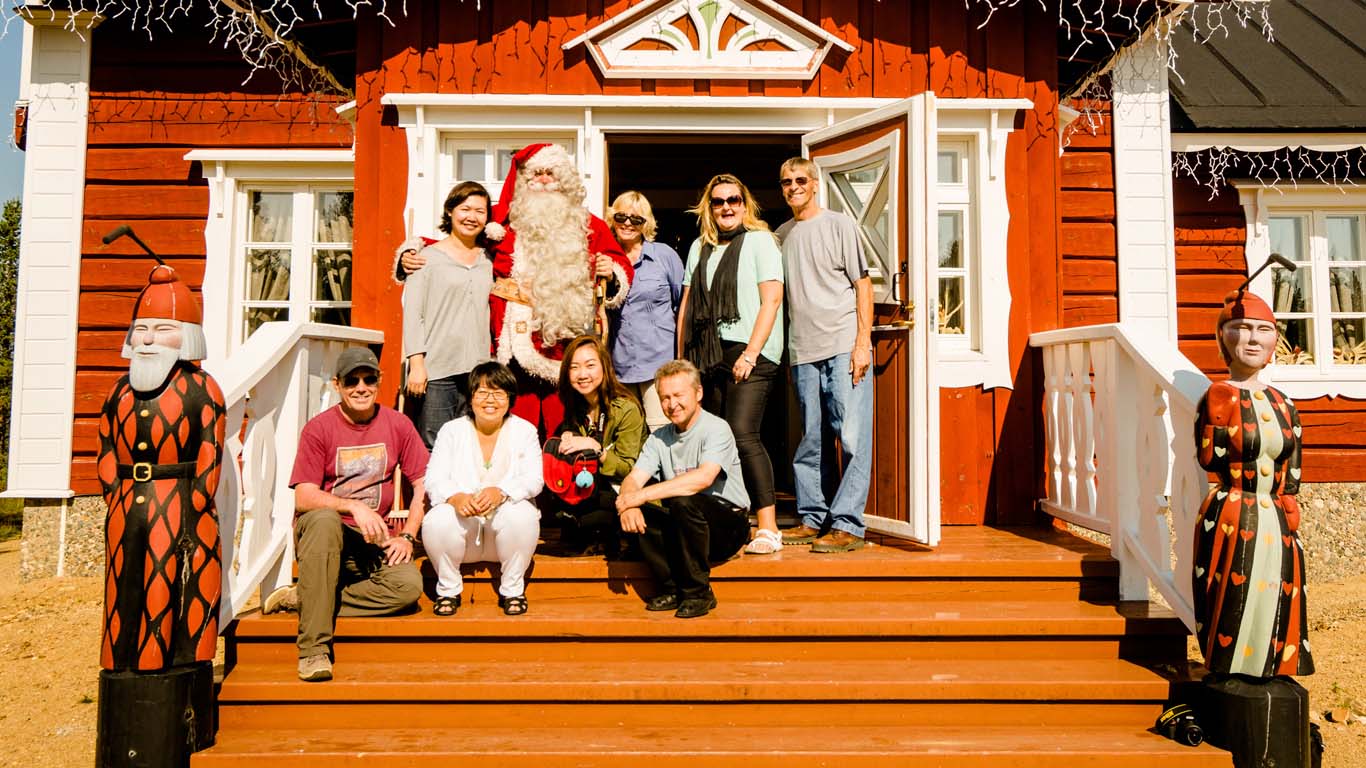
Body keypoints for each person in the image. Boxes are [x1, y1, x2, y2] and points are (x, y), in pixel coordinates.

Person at [95, 265, 226, 756]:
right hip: (128, 499)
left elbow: (211, 443)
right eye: (142, 330)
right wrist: (111, 482)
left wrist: (199, 493)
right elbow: (106, 439)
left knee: (167, 583)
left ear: (186, 336)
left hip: (178, 498)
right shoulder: (119, 391)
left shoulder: (200, 387)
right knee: (121, 582)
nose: (149, 340)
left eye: (163, 329)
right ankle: (120, 654)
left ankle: (155, 658)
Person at [276, 347, 428, 682]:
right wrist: (353, 506)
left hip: (371, 543)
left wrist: (407, 535)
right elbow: (304, 496)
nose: (361, 387)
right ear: (337, 385)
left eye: (369, 379)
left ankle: (309, 596)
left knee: (408, 586)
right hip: (324, 537)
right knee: (324, 518)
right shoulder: (319, 429)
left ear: (379, 382)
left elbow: (423, 484)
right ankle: (314, 650)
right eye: (351, 381)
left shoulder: (397, 424)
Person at [1193, 289, 1312, 678]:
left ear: (1275, 340)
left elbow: (1292, 457)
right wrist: (1216, 415)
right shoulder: (1218, 394)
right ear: (1222, 337)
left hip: (1275, 515)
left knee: (1276, 589)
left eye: (1264, 329)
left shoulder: (1282, 402)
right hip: (1233, 511)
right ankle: (1229, 667)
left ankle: (1271, 665)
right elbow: (1209, 458)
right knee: (1233, 592)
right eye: (1241, 328)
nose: (1253, 338)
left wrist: (1290, 500)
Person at [484, 143, 634, 436]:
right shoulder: (506, 224)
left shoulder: (588, 225)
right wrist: (414, 252)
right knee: (518, 428)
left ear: (564, 180)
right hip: (516, 344)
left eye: (550, 173)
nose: (542, 179)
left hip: (567, 345)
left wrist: (610, 270)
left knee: (564, 426)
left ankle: (564, 477)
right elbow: (458, 237)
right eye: (536, 173)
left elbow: (619, 262)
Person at [677, 173, 784, 556]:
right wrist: (682, 365)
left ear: (745, 204)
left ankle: (768, 526)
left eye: (734, 200)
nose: (727, 207)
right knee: (714, 438)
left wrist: (750, 354)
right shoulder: (698, 248)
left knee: (742, 433)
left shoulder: (761, 242)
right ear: (709, 207)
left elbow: (771, 301)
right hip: (707, 353)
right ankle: (727, 518)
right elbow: (687, 307)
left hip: (750, 350)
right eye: (719, 201)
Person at [773, 157, 875, 555]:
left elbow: (863, 285)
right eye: (786, 182)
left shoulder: (840, 224)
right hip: (802, 350)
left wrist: (862, 342)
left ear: (814, 184)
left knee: (850, 435)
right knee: (811, 439)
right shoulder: (781, 236)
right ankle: (813, 517)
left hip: (842, 345)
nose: (793, 187)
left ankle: (848, 524)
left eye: (800, 180)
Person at [616, 360, 750, 619]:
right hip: (686, 528)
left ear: (698, 393)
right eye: (665, 397)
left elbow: (702, 479)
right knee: (639, 512)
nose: (671, 404)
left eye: (679, 395)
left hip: (727, 526)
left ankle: (698, 593)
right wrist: (629, 502)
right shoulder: (658, 438)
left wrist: (639, 496)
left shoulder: (716, 428)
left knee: (681, 501)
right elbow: (633, 479)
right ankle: (671, 589)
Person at [421, 361, 543, 617]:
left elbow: (534, 479)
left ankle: (512, 590)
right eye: (483, 392)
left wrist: (502, 492)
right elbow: (434, 478)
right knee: (436, 519)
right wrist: (456, 498)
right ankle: (448, 589)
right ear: (471, 396)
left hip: (505, 538)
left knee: (523, 514)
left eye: (499, 393)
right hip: (464, 536)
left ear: (510, 398)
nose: (491, 400)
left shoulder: (525, 430)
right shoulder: (452, 431)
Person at [401, 181, 494, 447]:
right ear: (451, 211)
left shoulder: (489, 260)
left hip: (477, 369)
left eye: (480, 211)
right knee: (434, 443)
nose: (472, 217)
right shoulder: (425, 258)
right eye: (465, 209)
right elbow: (413, 315)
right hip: (437, 369)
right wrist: (417, 365)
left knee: (471, 443)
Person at [551, 335, 647, 555]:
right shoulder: (576, 405)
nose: (582, 374)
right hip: (592, 487)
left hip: (623, 489)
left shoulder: (626, 408)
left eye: (590, 365)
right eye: (574, 367)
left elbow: (627, 469)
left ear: (605, 367)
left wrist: (596, 449)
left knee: (586, 517)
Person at [606, 191, 684, 432]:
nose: (628, 223)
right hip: (619, 365)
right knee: (627, 434)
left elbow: (681, 305)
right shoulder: (605, 259)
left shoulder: (664, 256)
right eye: (621, 216)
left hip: (658, 362)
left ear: (646, 223)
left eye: (636, 219)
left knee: (661, 432)